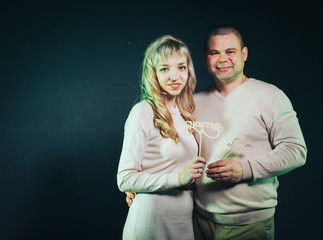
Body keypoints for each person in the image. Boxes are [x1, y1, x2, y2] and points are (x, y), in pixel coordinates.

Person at [191, 25, 307, 240]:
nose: (223, 58)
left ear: (244, 54)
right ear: (206, 57)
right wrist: (142, 186)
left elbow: (296, 151)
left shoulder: (270, 96)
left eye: (230, 51)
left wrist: (245, 169)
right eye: (215, 52)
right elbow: (179, 155)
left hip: (248, 225)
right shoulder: (194, 102)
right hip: (198, 221)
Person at [117, 35, 205, 240]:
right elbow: (125, 179)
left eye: (181, 67)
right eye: (164, 69)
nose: (175, 76)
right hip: (151, 222)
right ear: (153, 73)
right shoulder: (143, 112)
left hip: (183, 222)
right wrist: (178, 178)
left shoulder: (186, 113)